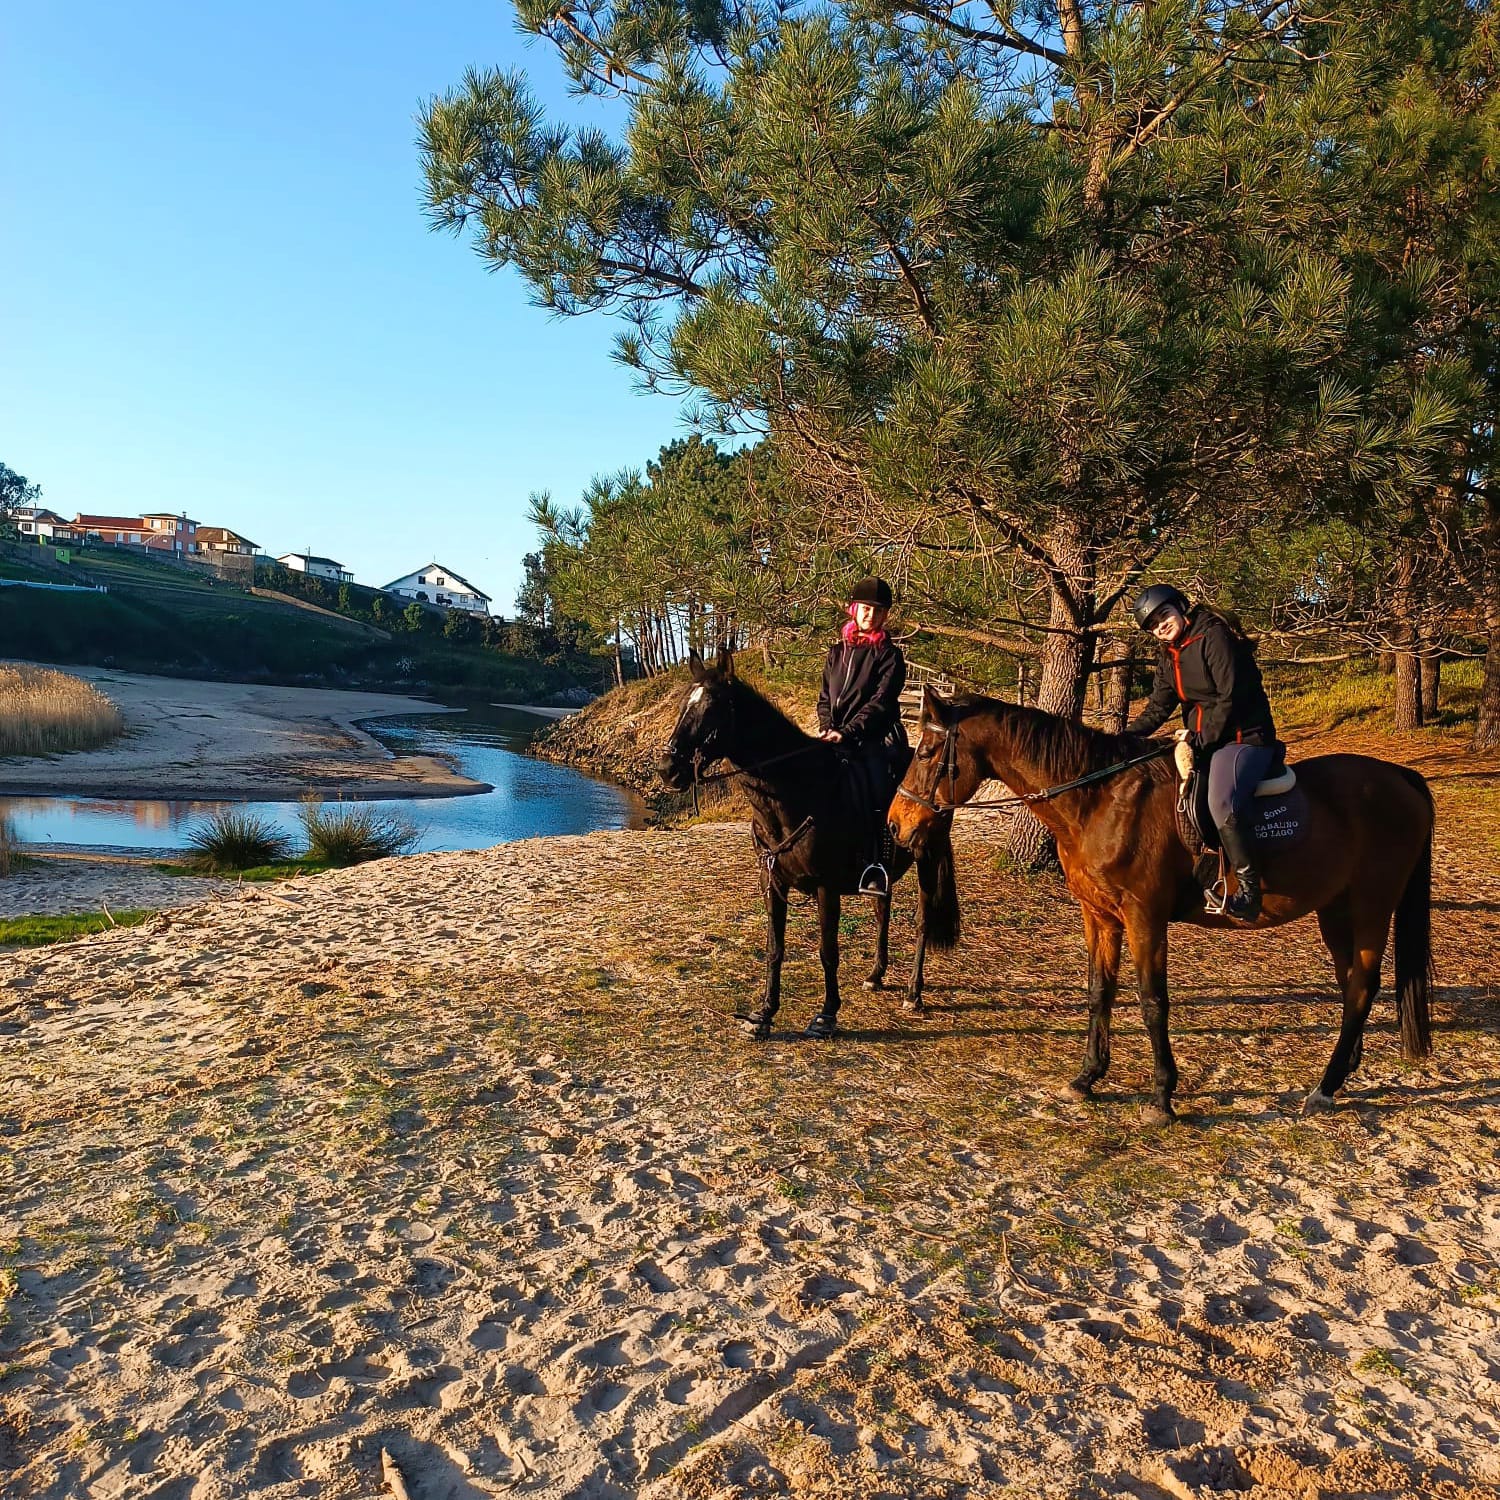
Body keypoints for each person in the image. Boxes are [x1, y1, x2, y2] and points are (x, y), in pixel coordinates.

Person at [1125, 584, 1279, 922]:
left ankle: (1250, 893)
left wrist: (1199, 738)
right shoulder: (1170, 655)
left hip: (1244, 737)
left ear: (1180, 607)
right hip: (1206, 740)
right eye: (1152, 625)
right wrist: (1124, 739)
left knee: (1220, 800)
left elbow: (1229, 698)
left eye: (1163, 615)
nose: (1160, 626)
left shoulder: (1214, 636)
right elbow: (1157, 708)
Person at [817, 576, 908, 896]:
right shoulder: (835, 653)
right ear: (853, 610)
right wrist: (828, 727)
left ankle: (876, 865)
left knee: (875, 792)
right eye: (866, 608)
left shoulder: (890, 657)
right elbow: (825, 697)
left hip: (875, 738)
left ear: (885, 616)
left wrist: (849, 732)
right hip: (835, 735)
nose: (871, 614)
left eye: (878, 610)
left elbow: (881, 703)